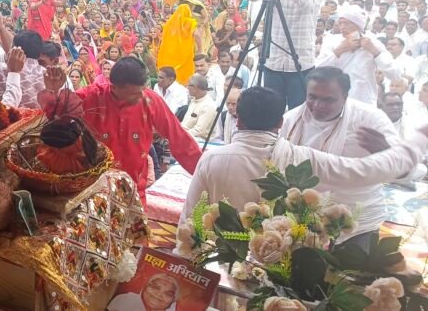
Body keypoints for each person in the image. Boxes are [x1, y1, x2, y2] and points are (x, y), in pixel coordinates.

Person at [180, 86, 428, 241]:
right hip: (280, 270)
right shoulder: (304, 159)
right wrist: (415, 145)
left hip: (223, 261)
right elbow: (364, 172)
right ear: (280, 123)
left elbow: (189, 219)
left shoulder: (212, 159)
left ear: (237, 120)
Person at [42, 58, 202, 205]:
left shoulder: (150, 100)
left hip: (134, 189)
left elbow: (178, 137)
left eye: (143, 89)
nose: (141, 96)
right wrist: (54, 91)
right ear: (114, 87)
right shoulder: (91, 96)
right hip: (94, 189)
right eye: (135, 93)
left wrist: (204, 171)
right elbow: (56, 117)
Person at [280, 67, 407, 237]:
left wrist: (387, 151)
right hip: (305, 222)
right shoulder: (291, 120)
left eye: (328, 100)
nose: (318, 105)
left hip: (358, 222)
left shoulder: (370, 119)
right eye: (312, 97)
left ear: (345, 97)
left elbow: (407, 170)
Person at [244, 0, 330, 109]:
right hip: (273, 62)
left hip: (301, 63)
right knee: (271, 112)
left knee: (298, 114)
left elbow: (308, 5)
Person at [316, 5, 401, 105]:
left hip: (364, 102)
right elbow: (317, 71)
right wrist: (339, 51)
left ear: (358, 25)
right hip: (335, 101)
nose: (342, 27)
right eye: (340, 23)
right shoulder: (331, 41)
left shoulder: (372, 43)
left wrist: (374, 51)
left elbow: (395, 75)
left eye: (346, 23)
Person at [106, 273, 180, 311]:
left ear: (173, 301)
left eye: (167, 294)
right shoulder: (125, 299)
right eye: (155, 287)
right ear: (145, 288)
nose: (159, 294)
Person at [181, 74, 217, 140]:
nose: (187, 87)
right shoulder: (194, 100)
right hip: (186, 135)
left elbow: (199, 131)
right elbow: (185, 124)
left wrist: (180, 134)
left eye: (188, 85)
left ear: (194, 88)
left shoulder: (208, 105)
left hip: (200, 140)